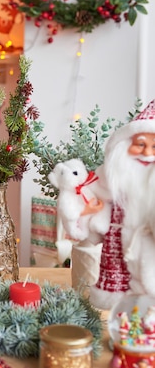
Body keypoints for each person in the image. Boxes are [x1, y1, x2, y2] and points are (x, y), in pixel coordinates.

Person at [77, 99, 155, 309]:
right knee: (115, 293)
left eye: (154, 147)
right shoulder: (112, 180)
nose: (147, 153)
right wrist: (85, 217)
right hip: (117, 243)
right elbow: (92, 199)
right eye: (140, 144)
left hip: (148, 246)